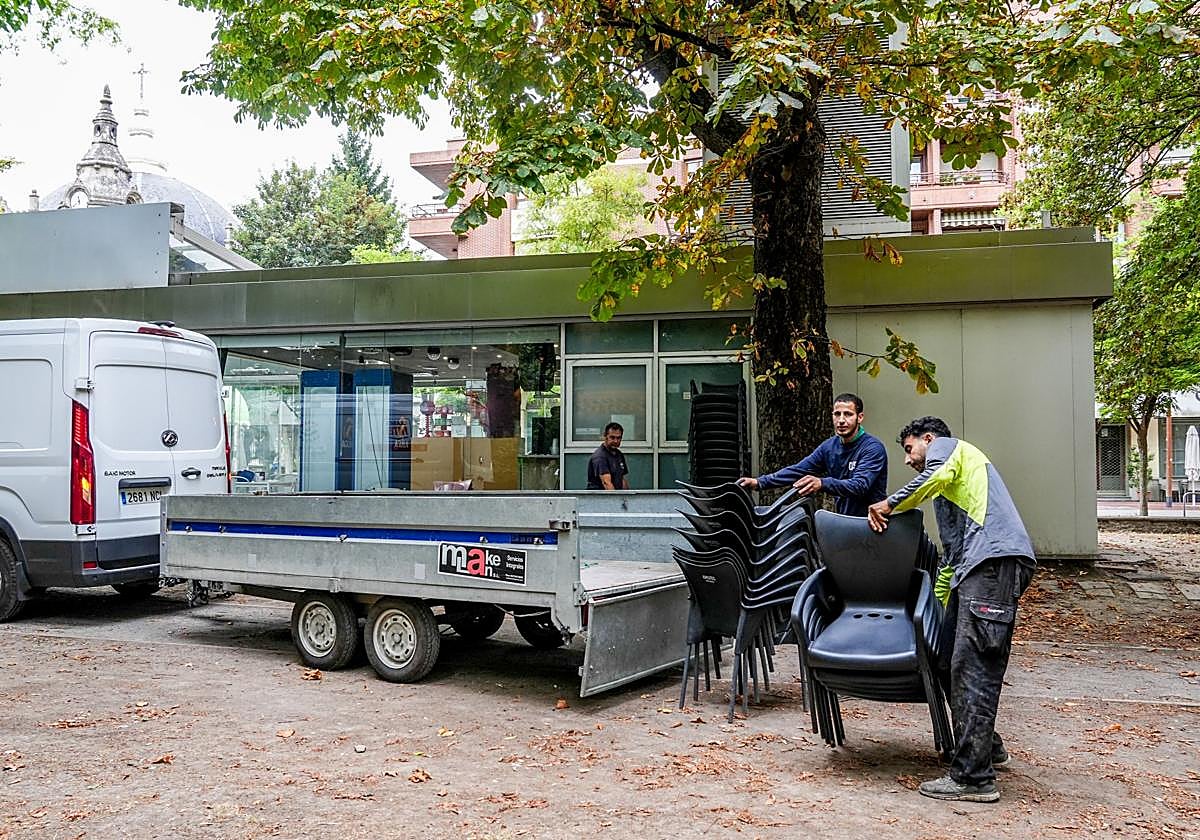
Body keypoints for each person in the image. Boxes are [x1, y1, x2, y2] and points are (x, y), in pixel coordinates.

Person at [867, 417, 1036, 804]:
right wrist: (938, 611)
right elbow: (950, 561)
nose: (909, 460)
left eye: (910, 449)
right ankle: (984, 748)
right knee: (945, 657)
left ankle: (974, 778)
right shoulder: (953, 492)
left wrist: (889, 503)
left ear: (929, 439)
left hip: (992, 564)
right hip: (974, 570)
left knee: (973, 664)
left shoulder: (949, 450)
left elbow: (933, 474)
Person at [738, 393, 887, 517]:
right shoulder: (829, 447)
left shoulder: (872, 448)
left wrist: (822, 483)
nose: (841, 420)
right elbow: (798, 470)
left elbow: (859, 486)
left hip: (872, 523)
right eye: (837, 414)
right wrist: (759, 482)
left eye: (848, 414)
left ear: (859, 417)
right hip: (846, 521)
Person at [587, 422, 629, 490]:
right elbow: (607, 483)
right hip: (601, 499)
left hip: (614, 497)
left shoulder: (619, 454)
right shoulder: (600, 457)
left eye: (618, 438)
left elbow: (622, 480)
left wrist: (627, 498)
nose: (615, 441)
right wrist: (616, 500)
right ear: (605, 436)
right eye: (612, 437)